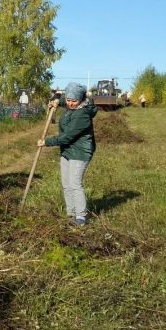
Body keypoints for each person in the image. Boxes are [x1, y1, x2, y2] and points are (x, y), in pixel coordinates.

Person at [38, 82, 97, 226]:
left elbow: (67, 136)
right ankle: (71, 213)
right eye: (68, 100)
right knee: (66, 184)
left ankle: (81, 217)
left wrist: (47, 142)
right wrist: (57, 101)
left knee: (75, 183)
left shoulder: (82, 114)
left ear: (81, 100)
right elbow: (65, 100)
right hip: (67, 150)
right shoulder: (72, 104)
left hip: (80, 152)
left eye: (73, 101)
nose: (70, 104)